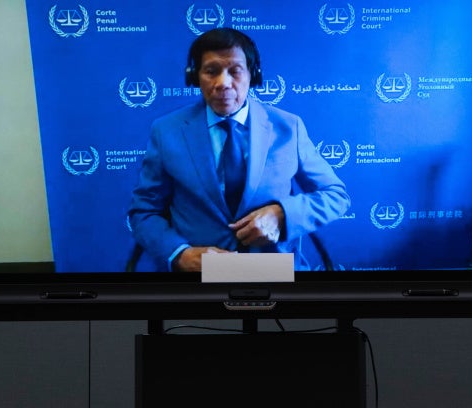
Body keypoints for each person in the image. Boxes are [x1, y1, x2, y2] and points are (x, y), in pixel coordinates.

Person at [127, 28, 350, 272]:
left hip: (274, 274)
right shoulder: (166, 131)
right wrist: (180, 254)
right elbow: (144, 212)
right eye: (211, 71)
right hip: (199, 277)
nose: (223, 83)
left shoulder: (289, 128)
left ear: (253, 75)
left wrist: (282, 215)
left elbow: (335, 196)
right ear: (194, 76)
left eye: (235, 71)